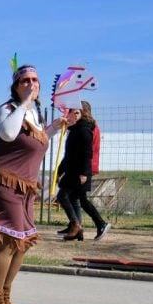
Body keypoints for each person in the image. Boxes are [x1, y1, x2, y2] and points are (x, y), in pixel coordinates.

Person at [0, 61, 79, 304]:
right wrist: (24, 104)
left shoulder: (35, 116)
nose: (31, 84)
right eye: (25, 81)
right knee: (9, 242)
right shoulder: (8, 109)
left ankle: (5, 297)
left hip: (26, 187)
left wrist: (58, 125)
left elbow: (38, 140)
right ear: (16, 87)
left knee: (23, 243)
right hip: (3, 183)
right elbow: (9, 134)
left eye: (34, 80)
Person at [56, 100, 109, 241]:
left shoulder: (85, 129)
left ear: (82, 113)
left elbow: (87, 153)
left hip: (80, 171)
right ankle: (84, 226)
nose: (70, 115)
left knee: (65, 196)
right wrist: (59, 171)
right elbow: (69, 155)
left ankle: (81, 225)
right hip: (74, 170)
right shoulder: (76, 129)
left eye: (75, 112)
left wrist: (84, 172)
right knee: (78, 198)